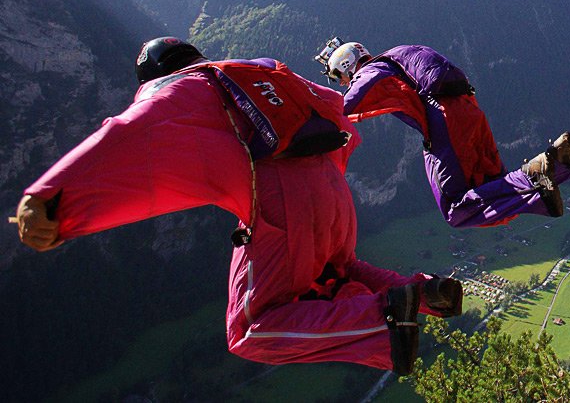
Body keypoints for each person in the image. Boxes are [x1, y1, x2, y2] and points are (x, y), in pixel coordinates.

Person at [13, 37, 462, 376]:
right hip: (331, 186)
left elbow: (126, 133)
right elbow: (334, 107)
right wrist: (325, 180)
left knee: (250, 328)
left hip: (279, 199)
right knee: (335, 272)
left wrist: (53, 196)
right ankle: (423, 292)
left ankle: (385, 315)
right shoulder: (256, 71)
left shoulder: (179, 87)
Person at [315, 39, 570, 228]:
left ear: (347, 66)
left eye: (339, 76)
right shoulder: (401, 54)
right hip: (468, 110)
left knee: (455, 209)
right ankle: (562, 163)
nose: (342, 82)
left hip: (444, 122)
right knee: (491, 184)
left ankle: (535, 172)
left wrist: (316, 121)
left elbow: (346, 103)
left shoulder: (372, 70)